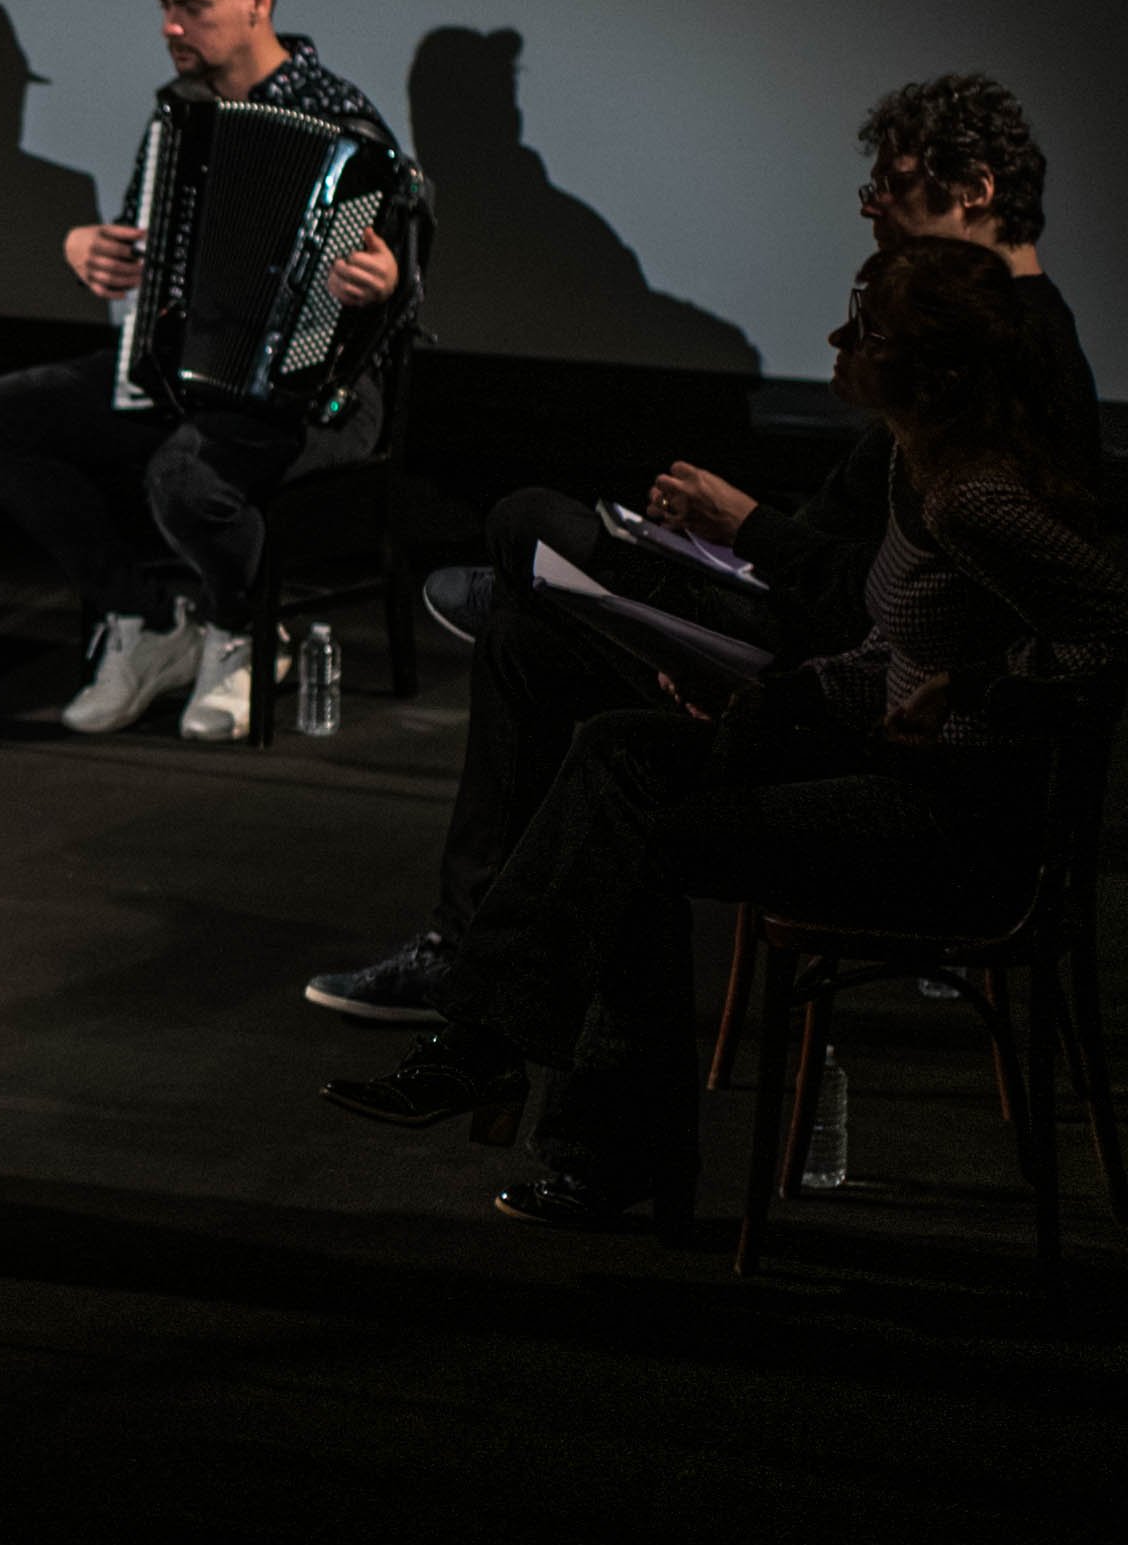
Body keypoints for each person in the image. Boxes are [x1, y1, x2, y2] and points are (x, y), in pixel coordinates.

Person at [323, 237, 1128, 1228]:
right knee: (618, 749)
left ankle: (555, 1104)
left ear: (937, 374)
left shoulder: (975, 500)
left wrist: (982, 690)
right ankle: (507, 1064)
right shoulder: (917, 469)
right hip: (889, 767)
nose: (838, 341)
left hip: (953, 824)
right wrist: (770, 701)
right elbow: (890, 650)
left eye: (868, 333)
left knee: (626, 831)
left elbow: (1111, 633)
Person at [306, 71, 1100, 1025]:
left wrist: (750, 532)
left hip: (824, 663)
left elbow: (925, 603)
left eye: (891, 183)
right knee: (527, 633)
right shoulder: (940, 373)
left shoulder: (999, 372)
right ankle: (471, 972)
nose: (872, 208)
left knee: (530, 534)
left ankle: (483, 997)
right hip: (810, 638)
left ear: (973, 189)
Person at [0, 0, 414, 741]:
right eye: (164, 6)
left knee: (185, 476)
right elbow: (145, 244)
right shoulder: (180, 115)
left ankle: (241, 630)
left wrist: (382, 286)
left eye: (192, 7)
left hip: (319, 391)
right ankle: (146, 620)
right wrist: (87, 248)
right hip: (186, 370)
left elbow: (403, 288)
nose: (171, 26)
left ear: (257, 2)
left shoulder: (348, 123)